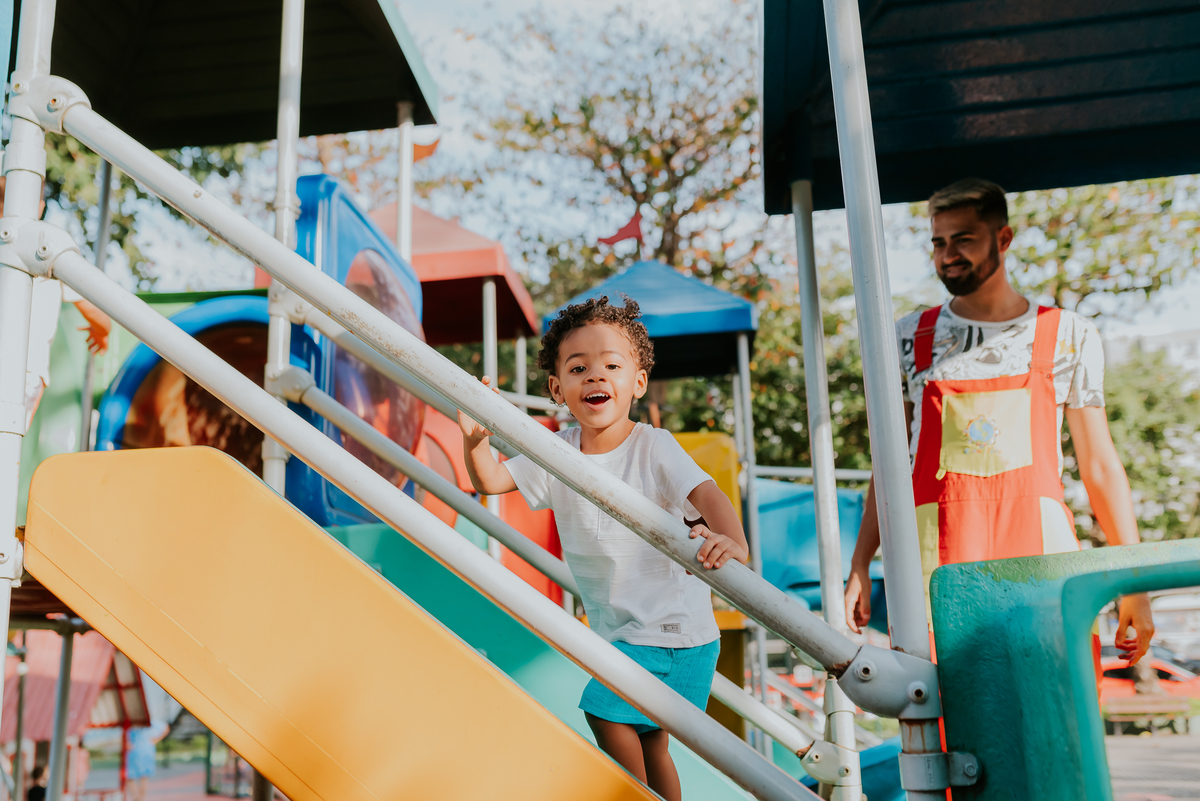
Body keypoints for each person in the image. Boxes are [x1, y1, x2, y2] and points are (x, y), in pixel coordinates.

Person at [843, 177, 1155, 665]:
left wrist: (1135, 585)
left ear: (1003, 240)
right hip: (933, 562)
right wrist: (861, 562)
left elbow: (1099, 466)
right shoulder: (907, 337)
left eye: (963, 239)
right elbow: (889, 465)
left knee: (1054, 710)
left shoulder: (1068, 334)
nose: (948, 255)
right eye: (939, 242)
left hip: (1042, 558)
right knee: (943, 716)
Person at [458, 295, 747, 801]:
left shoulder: (652, 447)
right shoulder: (557, 453)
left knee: (603, 709)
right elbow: (492, 481)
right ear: (557, 388)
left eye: (611, 365)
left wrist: (733, 540)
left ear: (637, 382)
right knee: (652, 744)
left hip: (674, 633)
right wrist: (476, 440)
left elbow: (708, 494)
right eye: (579, 368)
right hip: (626, 634)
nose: (595, 377)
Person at [0, 176, 112, 428]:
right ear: (39, 206)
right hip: (25, 370)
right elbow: (98, 312)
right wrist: (102, 332)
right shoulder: (46, 246)